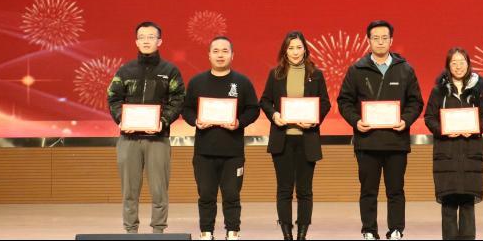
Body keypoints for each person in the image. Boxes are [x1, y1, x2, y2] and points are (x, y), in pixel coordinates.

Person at [336, 20, 424, 241]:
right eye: (376, 38)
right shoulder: (356, 70)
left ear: (391, 40)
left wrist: (405, 120)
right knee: (368, 190)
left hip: (396, 141)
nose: (380, 42)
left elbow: (416, 102)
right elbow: (344, 101)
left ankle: (396, 230)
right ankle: (369, 230)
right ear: (369, 41)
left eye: (385, 38)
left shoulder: (405, 69)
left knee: (396, 190)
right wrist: (356, 121)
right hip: (367, 142)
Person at [106, 21, 186, 235]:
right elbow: (113, 97)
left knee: (159, 190)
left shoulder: (170, 71)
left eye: (151, 37)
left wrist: (163, 121)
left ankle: (158, 231)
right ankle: (130, 231)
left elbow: (178, 99)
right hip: (128, 139)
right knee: (129, 191)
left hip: (158, 139)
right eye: (142, 37)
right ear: (136, 42)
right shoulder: (125, 70)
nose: (146, 41)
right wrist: (121, 119)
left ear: (159, 41)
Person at [183, 35, 261, 241]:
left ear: (232, 55)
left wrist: (239, 122)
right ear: (208, 55)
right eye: (216, 51)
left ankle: (232, 232)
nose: (220, 55)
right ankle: (206, 232)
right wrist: (195, 121)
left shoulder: (242, 82)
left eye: (225, 51)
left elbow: (254, 109)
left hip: (233, 152)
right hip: (204, 152)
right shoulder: (197, 82)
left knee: (232, 195)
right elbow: (186, 109)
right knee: (206, 195)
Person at [260, 31, 332, 240]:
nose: (295, 52)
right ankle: (287, 234)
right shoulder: (276, 74)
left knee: (304, 190)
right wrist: (274, 115)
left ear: (305, 50)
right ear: (285, 51)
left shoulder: (316, 74)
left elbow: (325, 103)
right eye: (290, 48)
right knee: (284, 189)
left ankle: (302, 234)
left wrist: (314, 120)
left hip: (307, 139)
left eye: (299, 47)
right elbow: (265, 101)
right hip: (282, 139)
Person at [423, 47, 483, 240]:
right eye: (454, 62)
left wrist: (476, 128)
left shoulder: (477, 90)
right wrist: (443, 130)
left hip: (471, 153)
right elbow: (429, 117)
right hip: (447, 153)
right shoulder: (439, 91)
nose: (458, 66)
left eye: (462, 62)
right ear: (448, 66)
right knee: (449, 203)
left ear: (468, 64)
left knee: (468, 204)